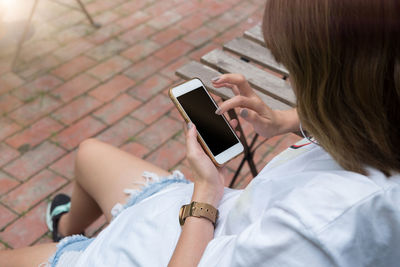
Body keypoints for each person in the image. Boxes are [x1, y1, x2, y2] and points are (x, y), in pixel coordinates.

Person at [1, 0, 400, 266]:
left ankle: (72, 247)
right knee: (89, 153)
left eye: (295, 70)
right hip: (206, 217)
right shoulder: (386, 122)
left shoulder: (323, 225)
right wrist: (282, 122)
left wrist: (205, 192)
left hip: (177, 244)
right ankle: (65, 229)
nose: (289, 78)